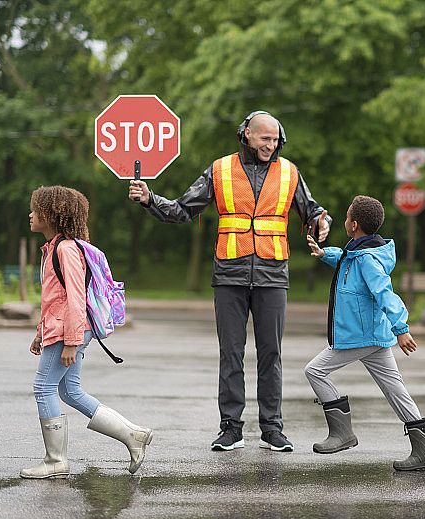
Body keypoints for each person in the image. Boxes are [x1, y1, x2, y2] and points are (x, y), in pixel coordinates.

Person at [128, 111, 331, 452]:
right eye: (265, 138)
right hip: (229, 274)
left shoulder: (289, 172)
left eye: (276, 139)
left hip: (272, 274)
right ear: (246, 135)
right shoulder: (220, 169)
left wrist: (321, 221)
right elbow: (182, 210)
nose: (272, 145)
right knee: (231, 354)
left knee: (271, 354)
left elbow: (311, 210)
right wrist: (151, 199)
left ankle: (272, 429)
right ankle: (230, 429)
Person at [23, 185, 153, 479]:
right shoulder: (55, 248)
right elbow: (55, 300)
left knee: (43, 387)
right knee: (70, 391)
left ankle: (55, 460)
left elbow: (75, 298)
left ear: (52, 214)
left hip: (70, 332)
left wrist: (70, 341)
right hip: (63, 331)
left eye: (35, 209)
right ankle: (133, 435)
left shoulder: (65, 249)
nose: (30, 214)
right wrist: (41, 331)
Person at [304, 195, 425, 471]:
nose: (343, 221)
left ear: (354, 225)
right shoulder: (360, 251)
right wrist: (324, 253)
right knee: (395, 389)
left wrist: (401, 328)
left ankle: (342, 433)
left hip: (360, 336)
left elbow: (384, 292)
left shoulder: (366, 258)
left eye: (345, 217)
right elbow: (346, 264)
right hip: (373, 337)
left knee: (314, 371)